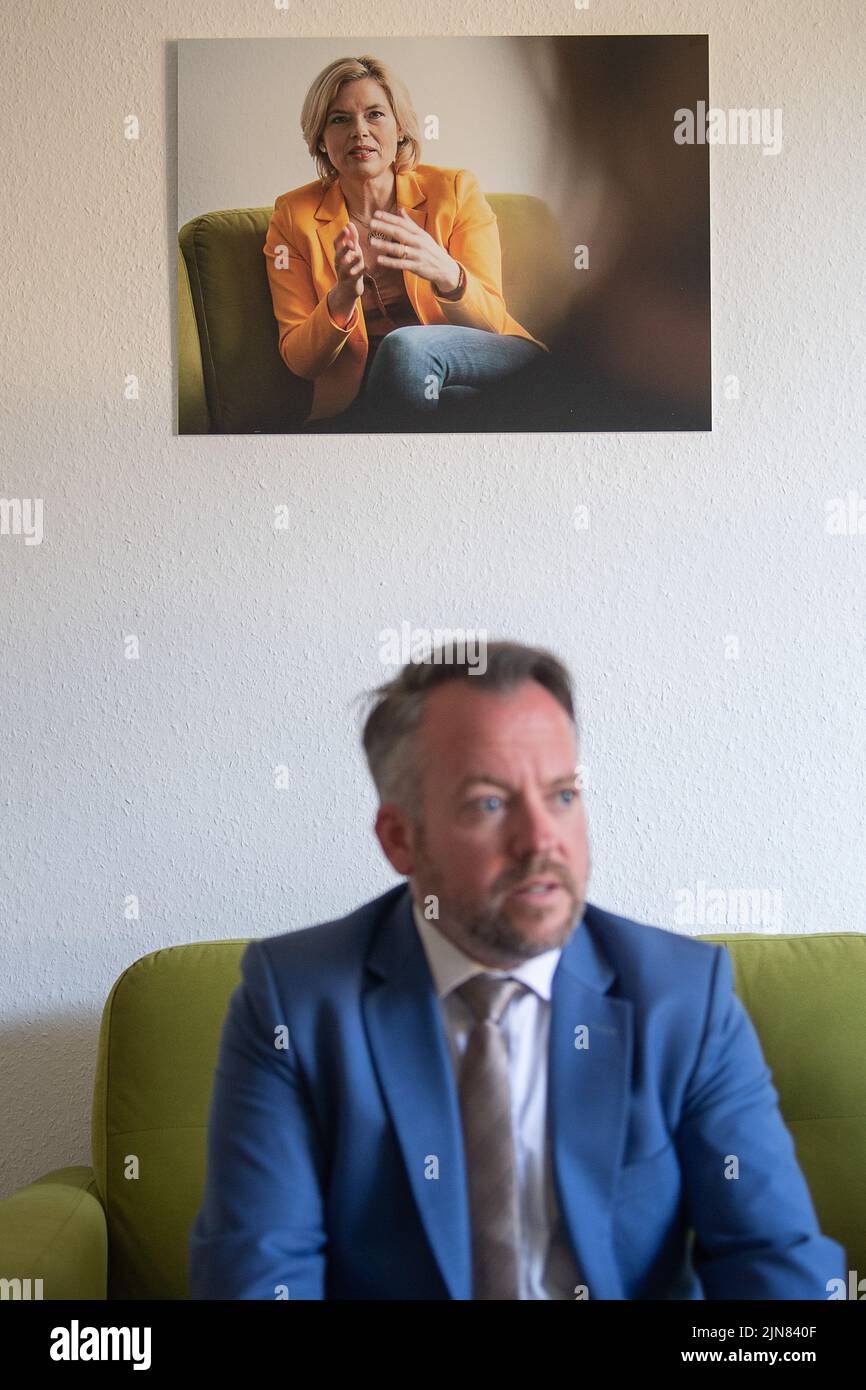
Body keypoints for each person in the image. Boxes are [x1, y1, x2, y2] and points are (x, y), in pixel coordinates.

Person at [188, 639, 846, 1299]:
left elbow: (774, 1263)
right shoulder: (295, 1005)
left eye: (562, 795)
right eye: (489, 804)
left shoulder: (682, 1000)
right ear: (399, 839)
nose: (540, 838)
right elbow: (260, 1276)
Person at [262, 55, 548, 430]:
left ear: (400, 128)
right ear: (320, 137)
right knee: (454, 405)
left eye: (375, 114)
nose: (359, 131)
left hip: (490, 358)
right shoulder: (292, 216)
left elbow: (491, 322)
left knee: (406, 346)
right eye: (340, 119)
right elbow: (300, 360)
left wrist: (447, 274)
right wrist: (343, 296)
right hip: (393, 391)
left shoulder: (455, 190)